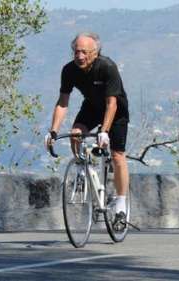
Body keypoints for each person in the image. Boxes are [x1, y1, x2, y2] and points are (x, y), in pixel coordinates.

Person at [45, 32, 130, 231]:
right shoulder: (69, 70)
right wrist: (53, 131)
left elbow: (112, 103)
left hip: (116, 111)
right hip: (92, 107)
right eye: (76, 52)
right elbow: (63, 102)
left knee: (117, 155)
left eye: (84, 52)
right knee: (76, 134)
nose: (80, 56)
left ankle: (120, 205)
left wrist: (104, 131)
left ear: (95, 52)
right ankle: (85, 166)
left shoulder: (107, 67)